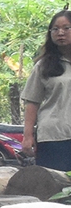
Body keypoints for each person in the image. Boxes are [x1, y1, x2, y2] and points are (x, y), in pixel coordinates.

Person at [21, 10, 71, 171]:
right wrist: (27, 136)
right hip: (54, 137)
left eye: (66, 28)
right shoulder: (43, 66)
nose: (60, 33)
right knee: (54, 189)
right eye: (55, 29)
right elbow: (32, 101)